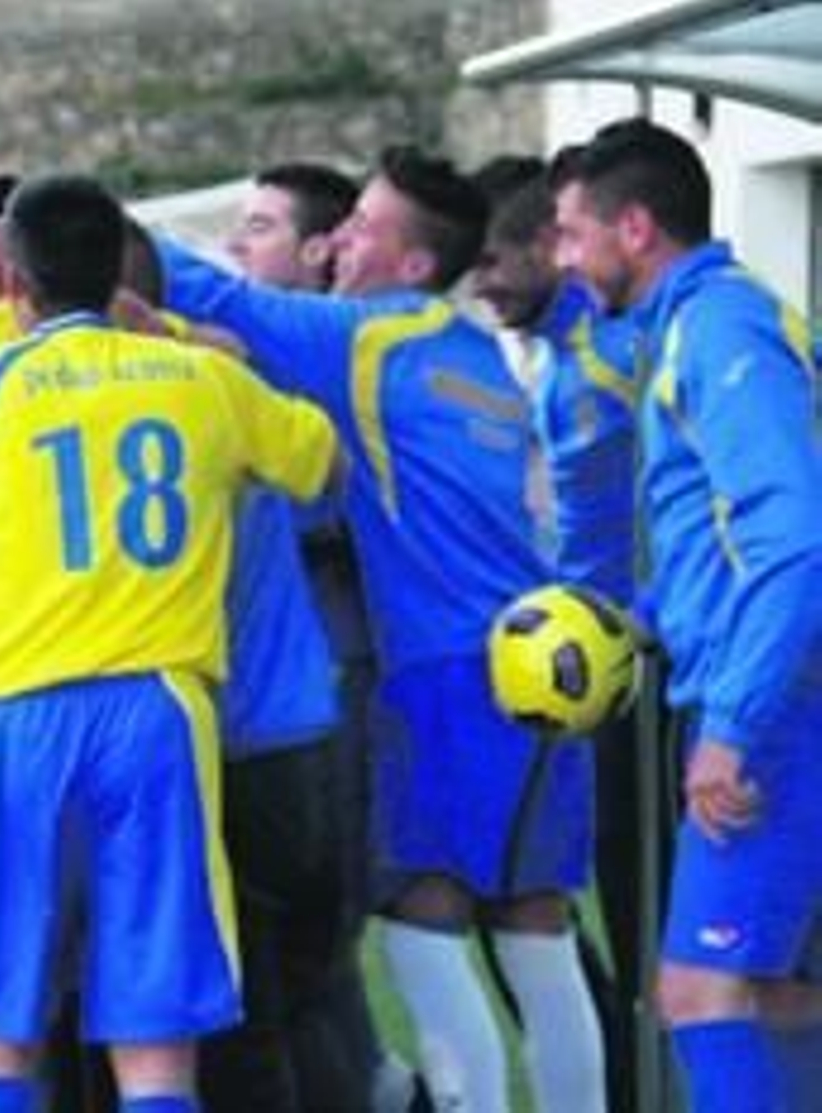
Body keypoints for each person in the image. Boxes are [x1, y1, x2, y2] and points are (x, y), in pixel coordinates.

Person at [0, 172, 339, 1113]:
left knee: (5, 1032)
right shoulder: (203, 380)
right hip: (156, 714)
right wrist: (176, 341)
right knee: (155, 1042)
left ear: (14, 284)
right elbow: (318, 457)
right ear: (121, 278)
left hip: (14, 716)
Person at [159, 145, 605, 1113]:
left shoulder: (368, 339)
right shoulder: (475, 349)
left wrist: (52, 224)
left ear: (408, 265)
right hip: (543, 659)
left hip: (445, 676)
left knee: (421, 919)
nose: (341, 239)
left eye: (361, 226)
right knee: (537, 929)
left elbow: (212, 293)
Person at [555, 116, 822, 1113]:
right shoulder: (703, 324)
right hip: (778, 688)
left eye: (572, 232)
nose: (564, 258)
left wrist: (733, 726)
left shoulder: (719, 327)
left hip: (778, 704)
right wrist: (640, 621)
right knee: (774, 994)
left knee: (699, 990)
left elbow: (794, 539)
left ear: (632, 228)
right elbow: (726, 540)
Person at [200, 160, 409, 1113]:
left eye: (259, 228)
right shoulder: (235, 361)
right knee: (307, 963)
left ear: (319, 251)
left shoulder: (335, 365)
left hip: (324, 693)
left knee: (308, 958)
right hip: (276, 704)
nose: (237, 249)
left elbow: (335, 510)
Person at [472, 154, 646, 1113]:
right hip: (579, 667)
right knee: (551, 905)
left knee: (617, 905)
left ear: (553, 244)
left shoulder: (622, 347)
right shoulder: (555, 358)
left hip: (636, 672)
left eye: (498, 259)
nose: (486, 283)